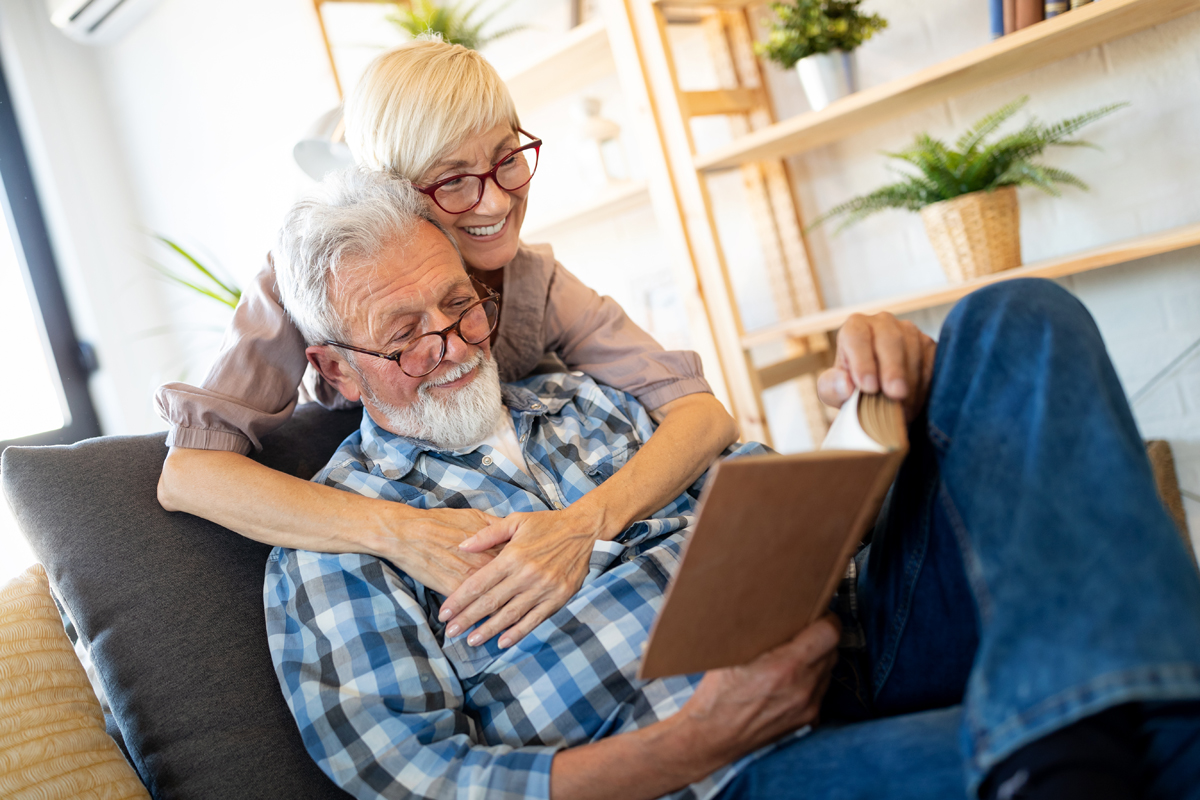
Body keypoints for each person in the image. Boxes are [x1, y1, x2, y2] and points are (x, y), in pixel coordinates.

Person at [265, 168, 1200, 800]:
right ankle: (1092, 735)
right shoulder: (342, 548)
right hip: (729, 771)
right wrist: (698, 740)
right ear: (336, 371)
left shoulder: (587, 402)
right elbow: (426, 783)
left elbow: (798, 519)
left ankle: (1067, 742)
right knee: (1155, 746)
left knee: (1010, 316)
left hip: (862, 648)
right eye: (404, 335)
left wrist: (889, 413)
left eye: (460, 306)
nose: (455, 347)